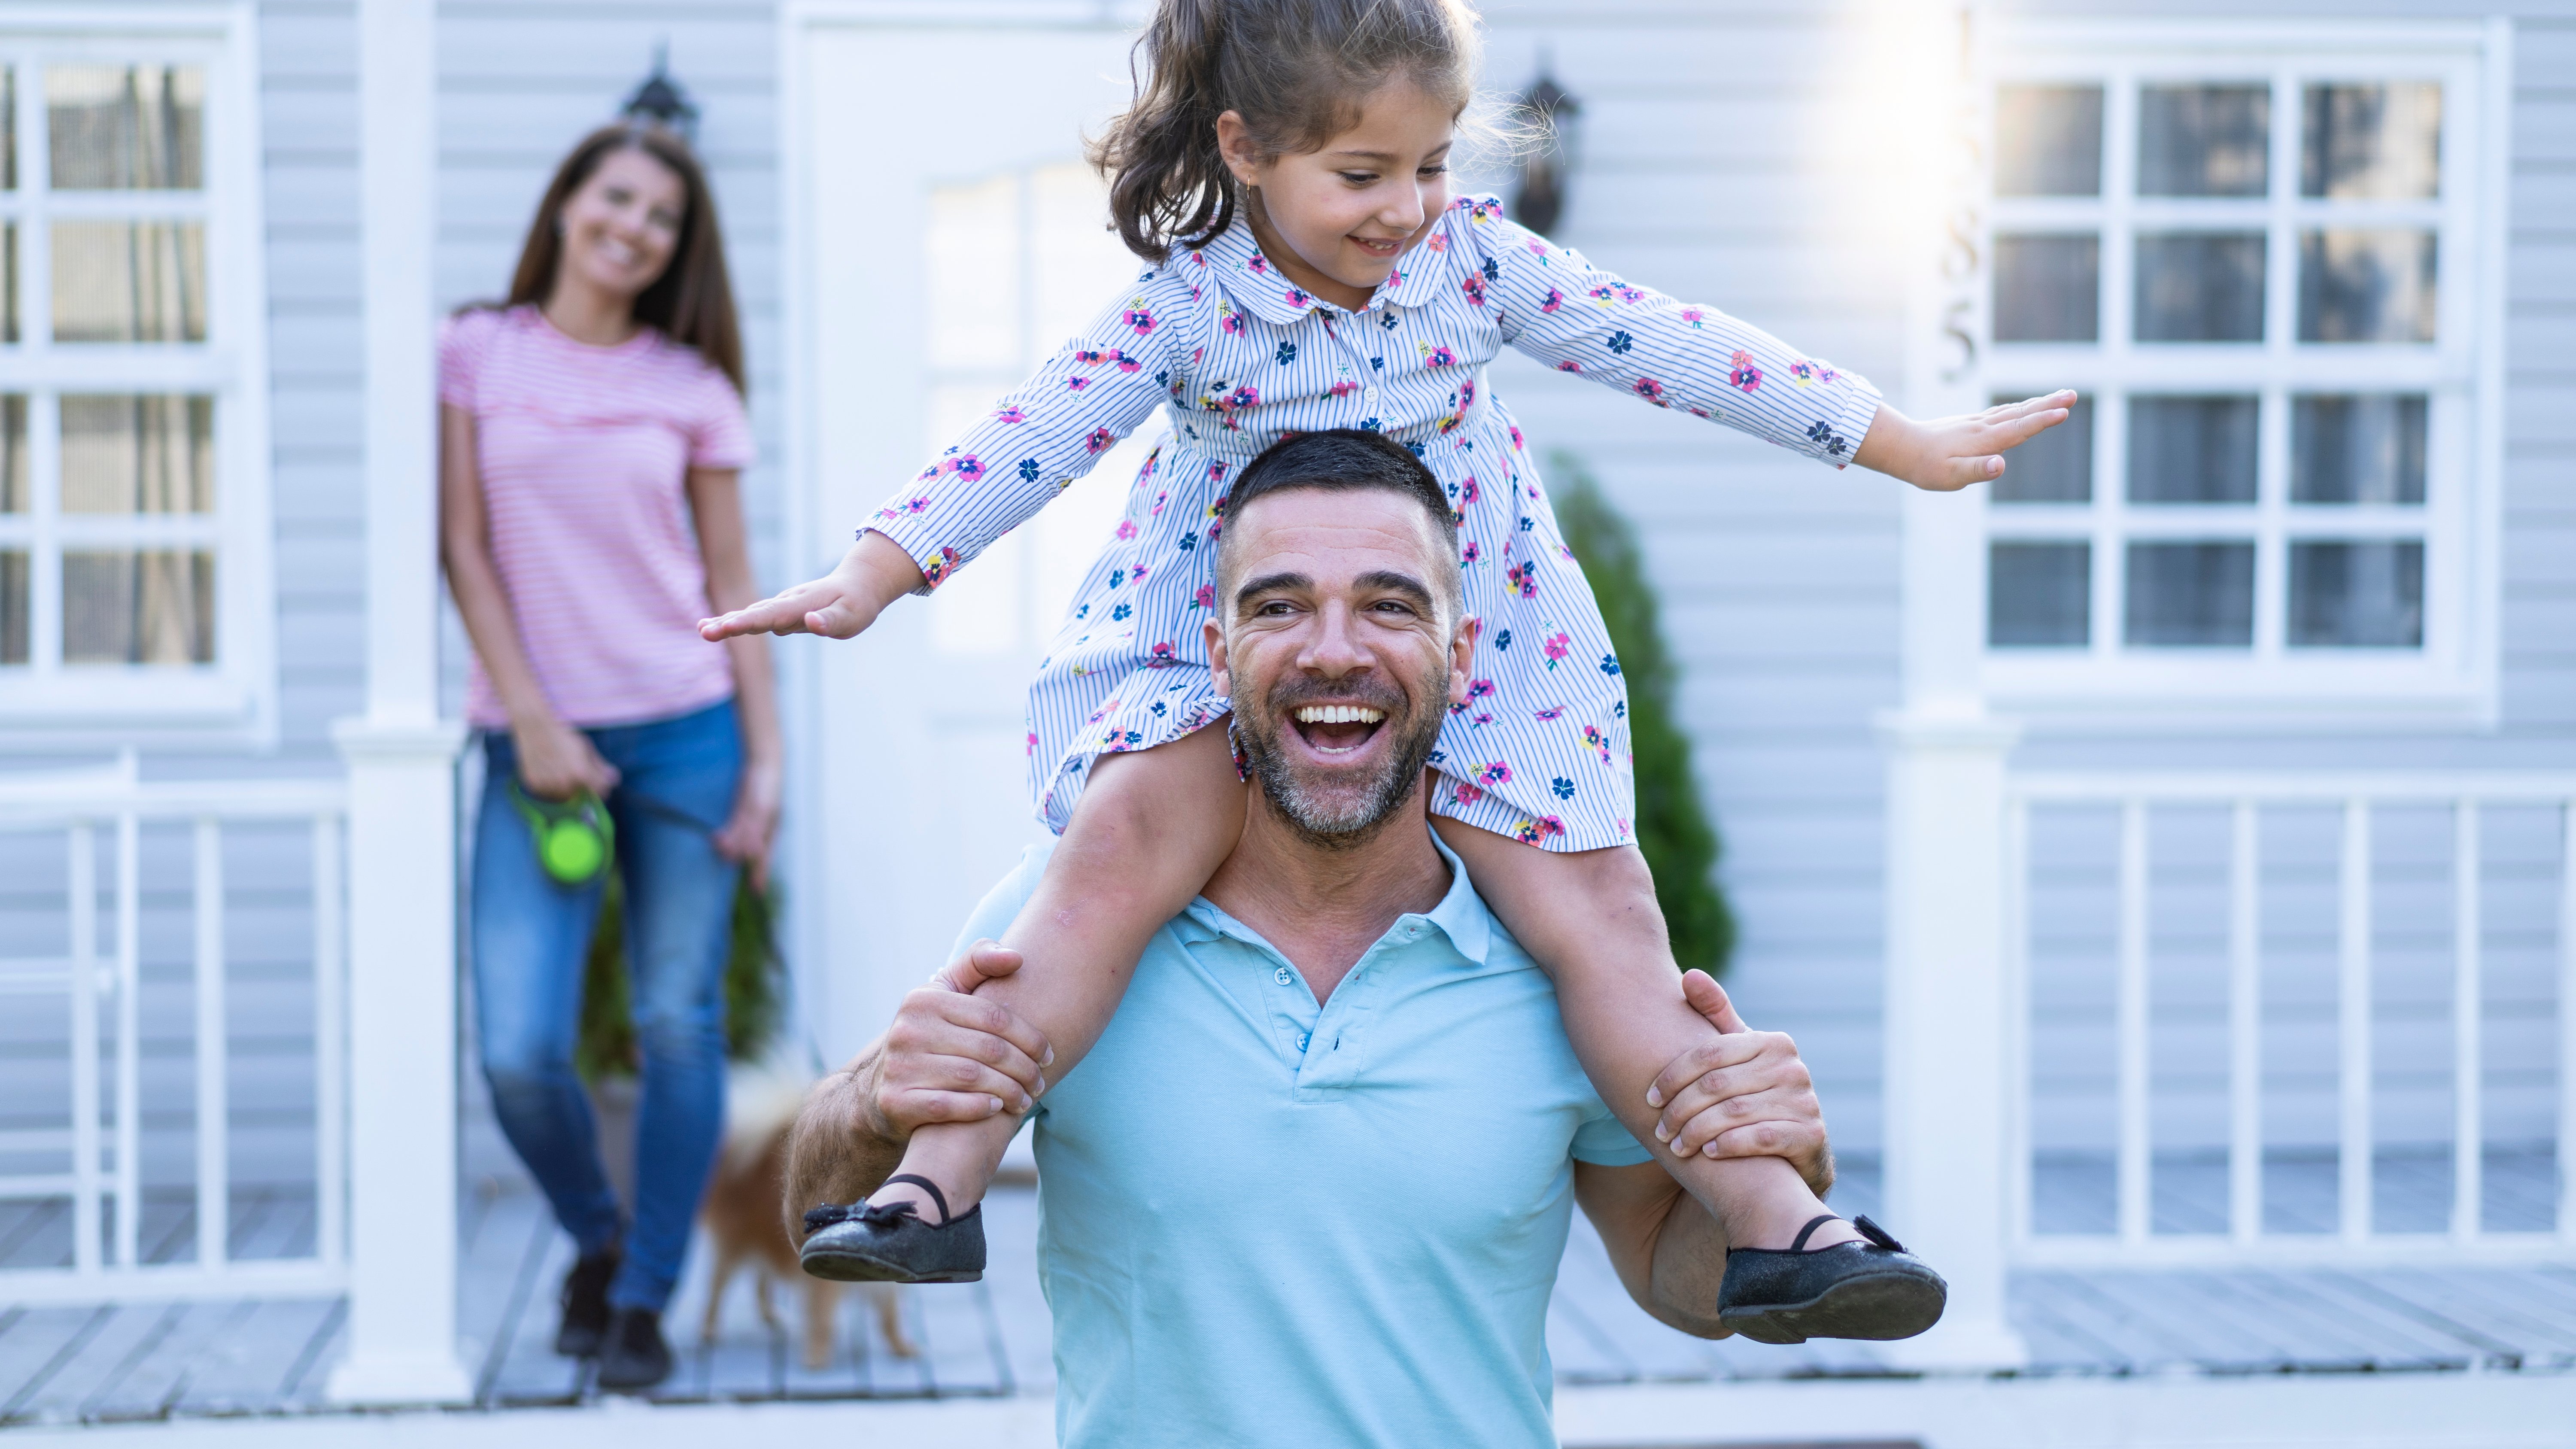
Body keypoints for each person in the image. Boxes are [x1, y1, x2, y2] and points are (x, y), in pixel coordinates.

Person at [711, 0, 2067, 1334]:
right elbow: (1033, 433)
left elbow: (1673, 343)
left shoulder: (1472, 265)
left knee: (1602, 910)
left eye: (1430, 164)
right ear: (1244, 148)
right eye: (1362, 173)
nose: (1407, 205)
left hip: (1482, 634)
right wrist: (880, 569)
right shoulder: (1188, 308)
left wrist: (1887, 437)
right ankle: (934, 1185)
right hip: (1222, 640)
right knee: (1111, 856)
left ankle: (1781, 1222)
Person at [786, 431, 1939, 1448]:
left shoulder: (1564, 958)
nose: (1333, 651)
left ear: (1466, 644)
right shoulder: (1062, 923)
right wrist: (881, 1096)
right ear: (1213, 638)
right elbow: (815, 1218)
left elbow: (1668, 1271)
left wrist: (1785, 1165)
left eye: (1390, 605)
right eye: (1278, 605)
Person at [440, 121, 780, 1391]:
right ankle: (598, 1237)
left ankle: (641, 1298)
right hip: (533, 740)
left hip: (689, 727)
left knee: (675, 1024)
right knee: (521, 1049)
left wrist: (766, 764)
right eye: (618, 199)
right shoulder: (477, 352)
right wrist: (530, 717)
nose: (635, 228)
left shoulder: (693, 388)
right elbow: (464, 548)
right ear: (570, 199)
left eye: (663, 219)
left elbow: (733, 580)